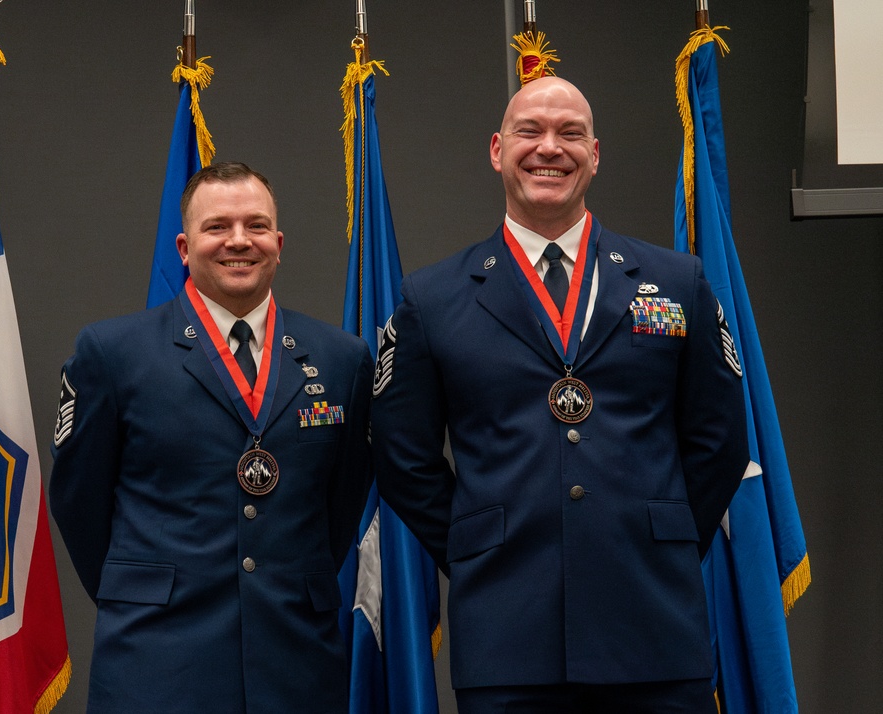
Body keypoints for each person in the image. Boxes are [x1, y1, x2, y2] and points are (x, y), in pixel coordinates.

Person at [371, 77, 750, 713]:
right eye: (531, 131)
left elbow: (719, 439)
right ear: (497, 150)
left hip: (652, 623)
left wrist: (661, 534)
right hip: (507, 631)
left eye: (570, 133)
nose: (551, 148)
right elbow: (402, 458)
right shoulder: (432, 299)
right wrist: (479, 539)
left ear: (595, 155)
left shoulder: (674, 281)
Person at [49, 162, 373, 713]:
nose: (239, 241)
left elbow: (340, 507)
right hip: (158, 660)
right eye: (217, 226)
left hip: (296, 663)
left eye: (256, 225)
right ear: (183, 246)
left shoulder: (342, 358)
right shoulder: (114, 353)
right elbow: (80, 504)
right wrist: (146, 590)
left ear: (279, 242)